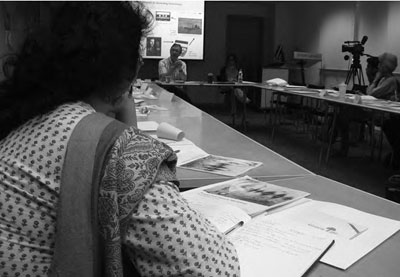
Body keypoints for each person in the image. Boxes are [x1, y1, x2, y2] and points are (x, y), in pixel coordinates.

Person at [0, 2, 240, 276]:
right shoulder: (117, 152)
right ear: (128, 71)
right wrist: (126, 115)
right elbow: (215, 269)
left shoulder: (24, 116)